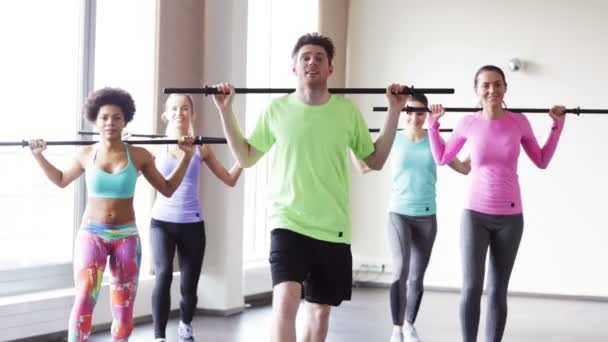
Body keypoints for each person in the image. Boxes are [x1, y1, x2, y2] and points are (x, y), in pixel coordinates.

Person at [212, 32, 405, 342]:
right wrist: (225, 111)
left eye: (319, 57)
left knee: (319, 311)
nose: (312, 62)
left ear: (330, 69)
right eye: (305, 57)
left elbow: (377, 159)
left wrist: (394, 112)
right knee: (285, 299)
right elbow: (246, 158)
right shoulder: (276, 110)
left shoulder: (346, 112)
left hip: (332, 226)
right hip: (287, 220)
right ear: (294, 67)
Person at [29, 87, 194, 342]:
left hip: (126, 237)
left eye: (117, 117)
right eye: (104, 117)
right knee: (84, 299)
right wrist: (39, 156)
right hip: (91, 235)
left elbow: (168, 189)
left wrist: (186, 157)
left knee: (124, 311)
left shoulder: (139, 155)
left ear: (125, 120)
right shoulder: (85, 154)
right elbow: (61, 179)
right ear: (95, 120)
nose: (110, 123)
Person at [426, 65, 566, 342]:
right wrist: (433, 126)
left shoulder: (519, 122)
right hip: (475, 215)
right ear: (477, 90)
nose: (492, 90)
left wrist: (556, 125)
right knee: (471, 288)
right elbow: (442, 157)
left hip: (511, 218)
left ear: (505, 87)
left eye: (498, 84)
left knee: (498, 290)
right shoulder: (468, 123)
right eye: (486, 85)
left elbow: (541, 160)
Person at [355, 93, 470, 342]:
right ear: (404, 113)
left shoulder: (434, 139)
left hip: (427, 217)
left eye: (420, 113)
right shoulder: (393, 140)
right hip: (399, 213)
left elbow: (463, 168)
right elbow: (363, 167)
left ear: (427, 114)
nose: (414, 117)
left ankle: (409, 324)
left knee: (417, 275)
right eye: (410, 112)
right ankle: (396, 329)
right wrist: (349, 141)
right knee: (401, 270)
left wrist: (483, 143)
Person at [150, 93, 242, 342]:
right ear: (165, 114)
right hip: (162, 223)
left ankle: (185, 325)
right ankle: (159, 336)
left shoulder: (201, 147)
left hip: (192, 223)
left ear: (192, 113)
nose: (179, 113)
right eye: (174, 109)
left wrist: (246, 157)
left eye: (184, 109)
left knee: (189, 284)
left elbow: (229, 179)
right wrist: (123, 148)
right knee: (163, 273)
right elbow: (127, 172)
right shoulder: (155, 146)